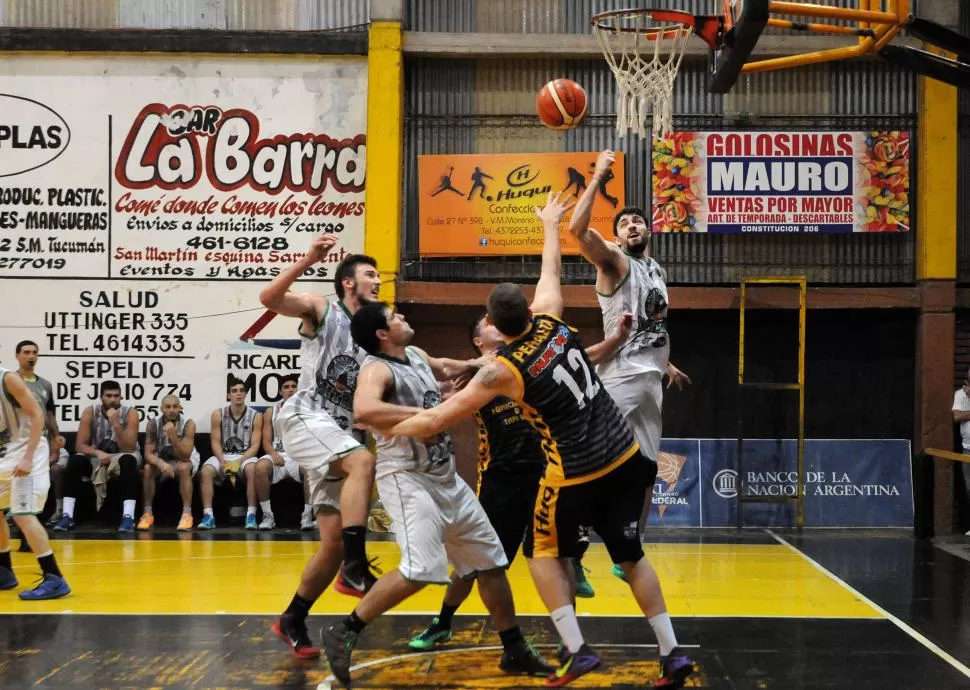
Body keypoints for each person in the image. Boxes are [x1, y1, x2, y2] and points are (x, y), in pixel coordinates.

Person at [392, 192, 695, 689]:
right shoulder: (554, 324)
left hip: (574, 470)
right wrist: (550, 224)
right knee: (630, 555)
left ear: (494, 326)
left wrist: (381, 420)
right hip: (621, 455)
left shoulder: (500, 371)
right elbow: (550, 274)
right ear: (529, 311)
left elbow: (433, 421)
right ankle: (672, 652)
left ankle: (575, 649)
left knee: (540, 553)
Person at [320, 301, 552, 687]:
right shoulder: (377, 368)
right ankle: (345, 629)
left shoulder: (413, 354)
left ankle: (514, 649)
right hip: (407, 478)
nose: (403, 317)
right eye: (395, 317)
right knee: (421, 569)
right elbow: (364, 409)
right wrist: (429, 414)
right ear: (382, 334)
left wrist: (478, 365)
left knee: (490, 562)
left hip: (445, 478)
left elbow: (444, 366)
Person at [408, 310, 634, 650]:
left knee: (558, 556)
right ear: (478, 340)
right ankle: (442, 622)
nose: (493, 321)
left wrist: (617, 339)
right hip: (501, 480)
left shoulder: (530, 359)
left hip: (547, 470)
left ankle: (568, 637)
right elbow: (438, 401)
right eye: (486, 322)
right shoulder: (473, 376)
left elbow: (586, 357)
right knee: (475, 564)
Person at [568, 150, 691, 578]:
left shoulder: (655, 269)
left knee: (645, 469)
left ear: (648, 230)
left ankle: (629, 546)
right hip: (619, 375)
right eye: (624, 223)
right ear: (617, 237)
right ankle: (575, 549)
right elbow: (576, 229)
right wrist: (598, 178)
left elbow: (651, 323)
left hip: (651, 378)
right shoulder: (615, 262)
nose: (632, 225)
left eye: (637, 220)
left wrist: (666, 362)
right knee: (592, 460)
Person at [259, 237, 384, 658]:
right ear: (348, 283)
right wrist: (311, 258)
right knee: (363, 461)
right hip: (306, 418)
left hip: (340, 435)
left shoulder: (373, 334)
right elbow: (269, 297)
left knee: (330, 542)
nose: (379, 281)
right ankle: (356, 566)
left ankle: (292, 617)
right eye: (370, 274)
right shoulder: (322, 309)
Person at [0, 365, 71, 599]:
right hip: (6, 454)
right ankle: (4, 571)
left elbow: (38, 414)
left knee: (22, 514)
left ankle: (54, 578)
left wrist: (29, 458)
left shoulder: (9, 379)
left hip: (28, 453)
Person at [53, 381, 141, 533]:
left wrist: (116, 423)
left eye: (116, 396)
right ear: (101, 397)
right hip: (97, 456)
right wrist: (98, 453)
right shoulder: (90, 411)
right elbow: (80, 446)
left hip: (123, 455)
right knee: (75, 460)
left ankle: (128, 516)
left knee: (129, 460)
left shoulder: (131, 412)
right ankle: (67, 515)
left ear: (121, 397)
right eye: (108, 396)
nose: (112, 399)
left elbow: (129, 447)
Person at [198, 377, 262, 530]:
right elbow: (215, 442)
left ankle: (251, 515)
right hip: (224, 455)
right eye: (234, 391)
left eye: (241, 391)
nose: (238, 394)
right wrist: (222, 461)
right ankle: (208, 515)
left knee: (253, 469)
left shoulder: (256, 416)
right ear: (229, 395)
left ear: (245, 394)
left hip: (245, 456)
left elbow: (255, 446)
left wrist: (238, 462)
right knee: (206, 471)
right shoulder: (218, 414)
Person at [13, 341, 63, 524]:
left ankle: (32, 528)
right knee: (17, 485)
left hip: (38, 441)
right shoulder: (10, 381)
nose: (31, 356)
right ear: (17, 355)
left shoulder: (45, 385)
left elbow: (49, 415)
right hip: (14, 440)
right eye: (26, 352)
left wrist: (56, 437)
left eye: (35, 352)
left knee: (38, 486)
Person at [256, 374, 314, 531]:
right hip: (279, 454)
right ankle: (268, 515)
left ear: (298, 389)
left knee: (311, 469)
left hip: (299, 455)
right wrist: (273, 454)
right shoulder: (271, 411)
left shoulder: (308, 409)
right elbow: (266, 441)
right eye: (286, 387)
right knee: (260, 467)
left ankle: (307, 515)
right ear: (281, 392)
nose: (290, 390)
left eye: (293, 387)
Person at [137, 395, 199, 531]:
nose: (171, 410)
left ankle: (187, 513)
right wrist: (161, 464)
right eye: (168, 407)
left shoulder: (188, 424)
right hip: (163, 460)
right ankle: (147, 513)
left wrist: (173, 436)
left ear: (180, 408)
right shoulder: (153, 424)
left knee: (183, 467)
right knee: (148, 468)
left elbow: (185, 456)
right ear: (161, 409)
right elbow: (148, 454)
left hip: (185, 459)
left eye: (175, 406)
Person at [951, 367, 970, 536]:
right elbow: (957, 417)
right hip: (967, 449)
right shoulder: (960, 395)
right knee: (969, 487)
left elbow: (963, 415)